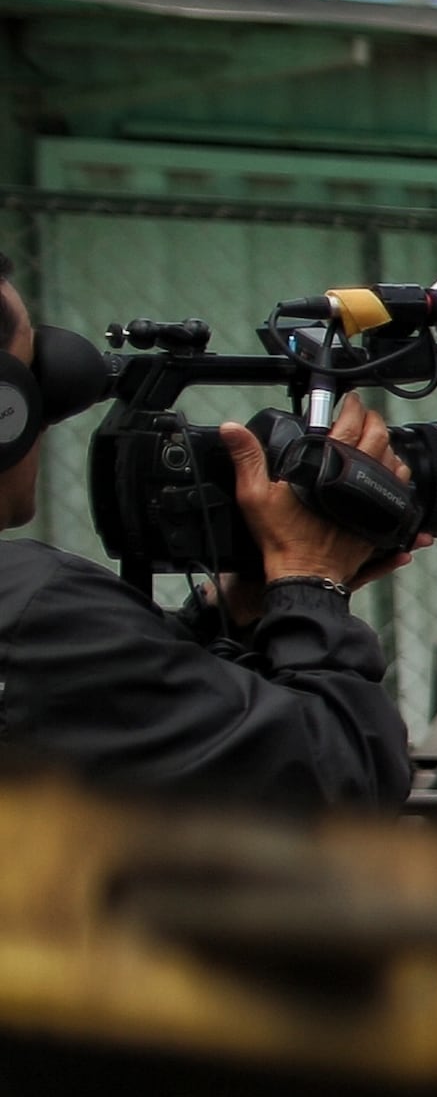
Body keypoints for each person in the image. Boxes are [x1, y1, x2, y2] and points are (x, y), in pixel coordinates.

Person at [0, 266, 416, 811]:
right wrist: (311, 581)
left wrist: (236, 610)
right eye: (37, 378)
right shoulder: (35, 614)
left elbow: (108, 706)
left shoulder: (33, 621)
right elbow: (338, 780)